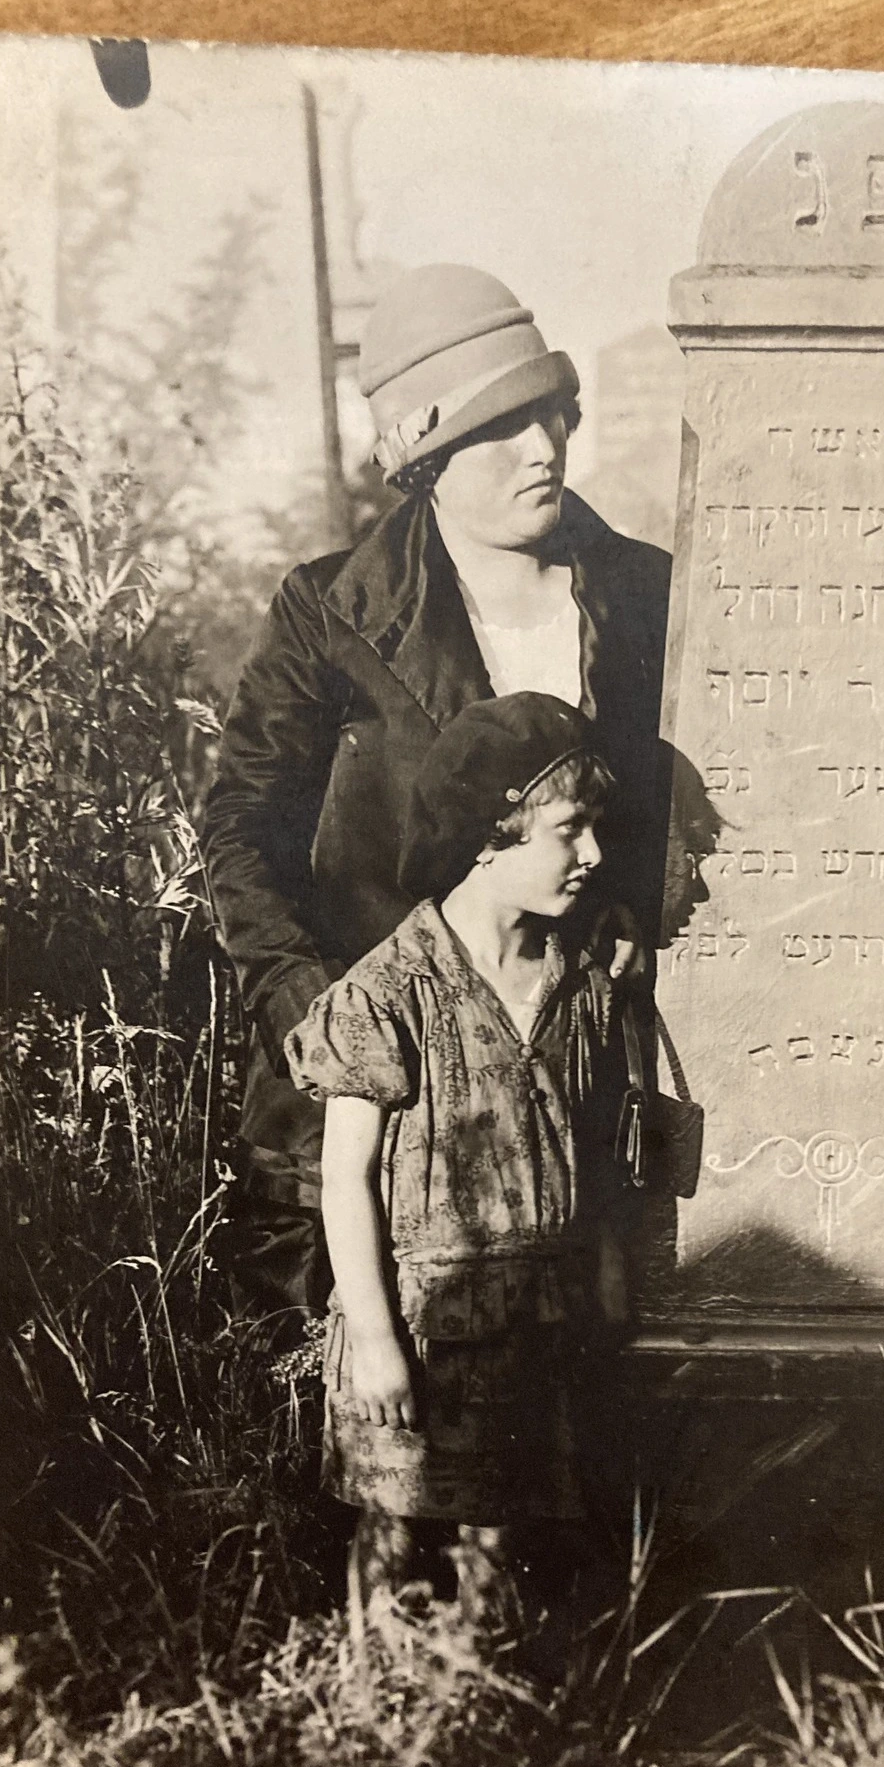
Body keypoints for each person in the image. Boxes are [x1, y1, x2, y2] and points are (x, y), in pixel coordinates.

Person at [203, 265, 669, 1341]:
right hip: (379, 1102)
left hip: (576, 1108)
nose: (543, 446)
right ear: (422, 456)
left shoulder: (646, 595)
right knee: (364, 1405)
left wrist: (633, 911)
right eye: (498, 426)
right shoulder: (331, 613)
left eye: (551, 411)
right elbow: (241, 828)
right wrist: (316, 1011)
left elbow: (670, 809)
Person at [282, 693, 635, 1634]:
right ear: (490, 837)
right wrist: (377, 1343)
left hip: (538, 1328)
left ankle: (482, 1704)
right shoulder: (388, 992)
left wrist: (605, 1272)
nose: (593, 853)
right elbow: (345, 1182)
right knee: (394, 1538)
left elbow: (589, 1139)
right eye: (570, 830)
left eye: (596, 828)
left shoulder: (577, 983)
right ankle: (372, 1703)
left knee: (500, 1557)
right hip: (421, 1328)